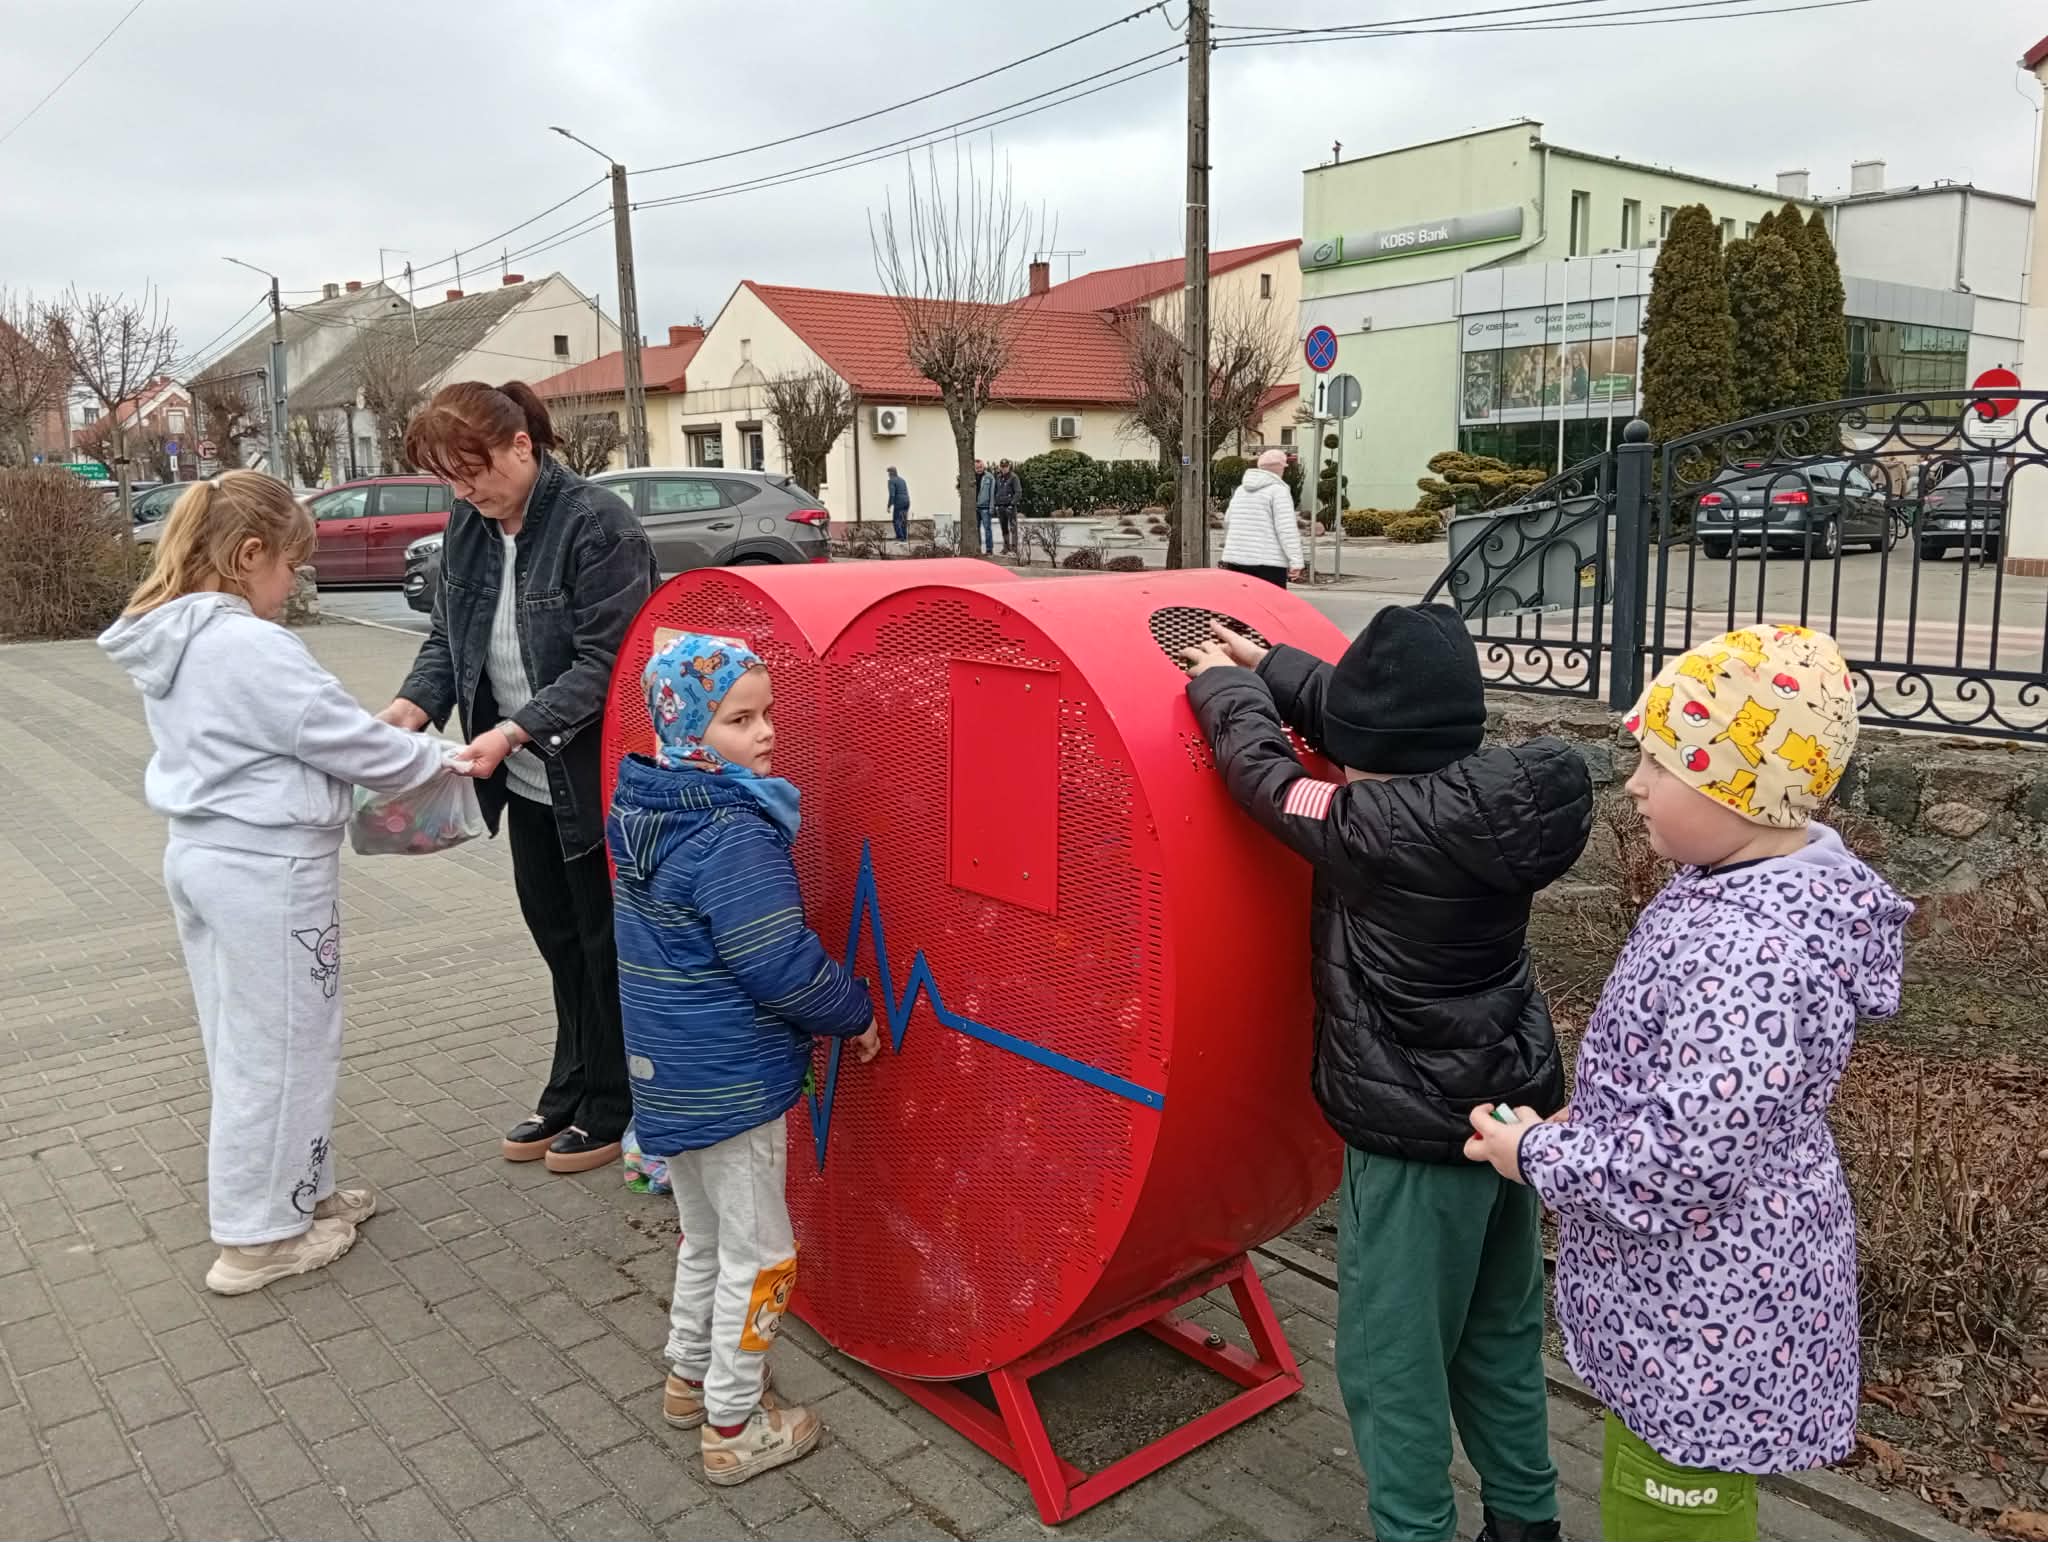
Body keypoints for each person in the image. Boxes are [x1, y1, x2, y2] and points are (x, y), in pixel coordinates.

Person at [1466, 625, 1910, 1542]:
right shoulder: (1735, 882)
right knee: (1651, 1476)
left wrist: (1535, 1152)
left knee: (1670, 1508)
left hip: (1705, 1316)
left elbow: (1681, 1163)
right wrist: (1591, 1120)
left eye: (1662, 765)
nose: (1634, 785)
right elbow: (1693, 1093)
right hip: (1692, 1302)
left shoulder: (1753, 953)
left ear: (1741, 786)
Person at [1182, 603, 1593, 1542]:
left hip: (1414, 1141)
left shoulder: (1368, 827)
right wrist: (1274, 664)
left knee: (1392, 1363)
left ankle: (1415, 1529)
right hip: (1510, 1126)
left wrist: (1227, 688)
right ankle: (1527, 1519)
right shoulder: (1499, 801)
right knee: (1497, 1336)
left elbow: (1264, 778)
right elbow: (1376, 729)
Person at [99, 472, 455, 1294]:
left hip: (207, 855)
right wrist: (446, 758)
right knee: (283, 1046)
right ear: (248, 554)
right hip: (268, 868)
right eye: (291, 565)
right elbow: (344, 740)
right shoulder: (248, 646)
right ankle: (258, 1238)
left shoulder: (174, 635)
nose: (295, 583)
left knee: (253, 1038)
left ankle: (300, 1191)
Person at [608, 633, 881, 1486]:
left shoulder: (648, 809)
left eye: (767, 713)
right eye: (738, 720)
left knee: (705, 1235)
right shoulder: (731, 831)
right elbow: (776, 961)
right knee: (762, 1255)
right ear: (688, 727)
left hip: (668, 1069)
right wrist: (853, 1013)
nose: (764, 733)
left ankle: (688, 1379)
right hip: (733, 1077)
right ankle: (734, 1424)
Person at [379, 381, 656, 1175]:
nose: (467, 493)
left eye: (475, 474)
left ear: (522, 446)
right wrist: (408, 709)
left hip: (591, 777)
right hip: (522, 780)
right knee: (557, 939)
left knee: (603, 946)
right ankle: (569, 1086)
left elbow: (607, 664)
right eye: (451, 481)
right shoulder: (469, 524)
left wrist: (512, 731)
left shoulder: (597, 524)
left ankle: (614, 1102)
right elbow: (449, 637)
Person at [1220, 448, 1305, 587]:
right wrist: (1296, 561)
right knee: (1270, 601)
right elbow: (1286, 529)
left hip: (1236, 561)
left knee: (1243, 600)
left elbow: (1228, 521)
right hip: (1269, 563)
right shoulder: (1278, 491)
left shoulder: (1241, 490)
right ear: (1280, 468)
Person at [992, 459, 1022, 555]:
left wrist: (1012, 504)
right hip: (1000, 507)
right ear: (1000, 467)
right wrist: (996, 504)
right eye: (1002, 466)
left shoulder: (1014, 477)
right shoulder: (998, 477)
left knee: (1013, 528)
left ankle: (1014, 549)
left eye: (1005, 466)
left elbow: (1018, 492)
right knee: (1004, 528)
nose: (1004, 468)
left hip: (1010, 507)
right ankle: (1006, 548)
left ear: (1009, 466)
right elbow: (995, 491)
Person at [974, 459, 994, 555]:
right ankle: (978, 549)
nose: (979, 469)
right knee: (976, 529)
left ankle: (989, 550)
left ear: (983, 466)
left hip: (985, 507)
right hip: (975, 507)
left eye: (980, 467)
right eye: (977, 468)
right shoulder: (971, 477)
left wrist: (991, 507)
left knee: (987, 529)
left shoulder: (989, 477)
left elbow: (992, 493)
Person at [886, 466, 910, 542]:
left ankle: (900, 538)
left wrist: (889, 506)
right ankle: (904, 537)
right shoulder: (902, 480)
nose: (888, 474)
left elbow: (892, 495)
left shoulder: (891, 481)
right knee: (903, 520)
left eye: (889, 472)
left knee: (896, 520)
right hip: (907, 501)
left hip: (899, 502)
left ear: (891, 473)